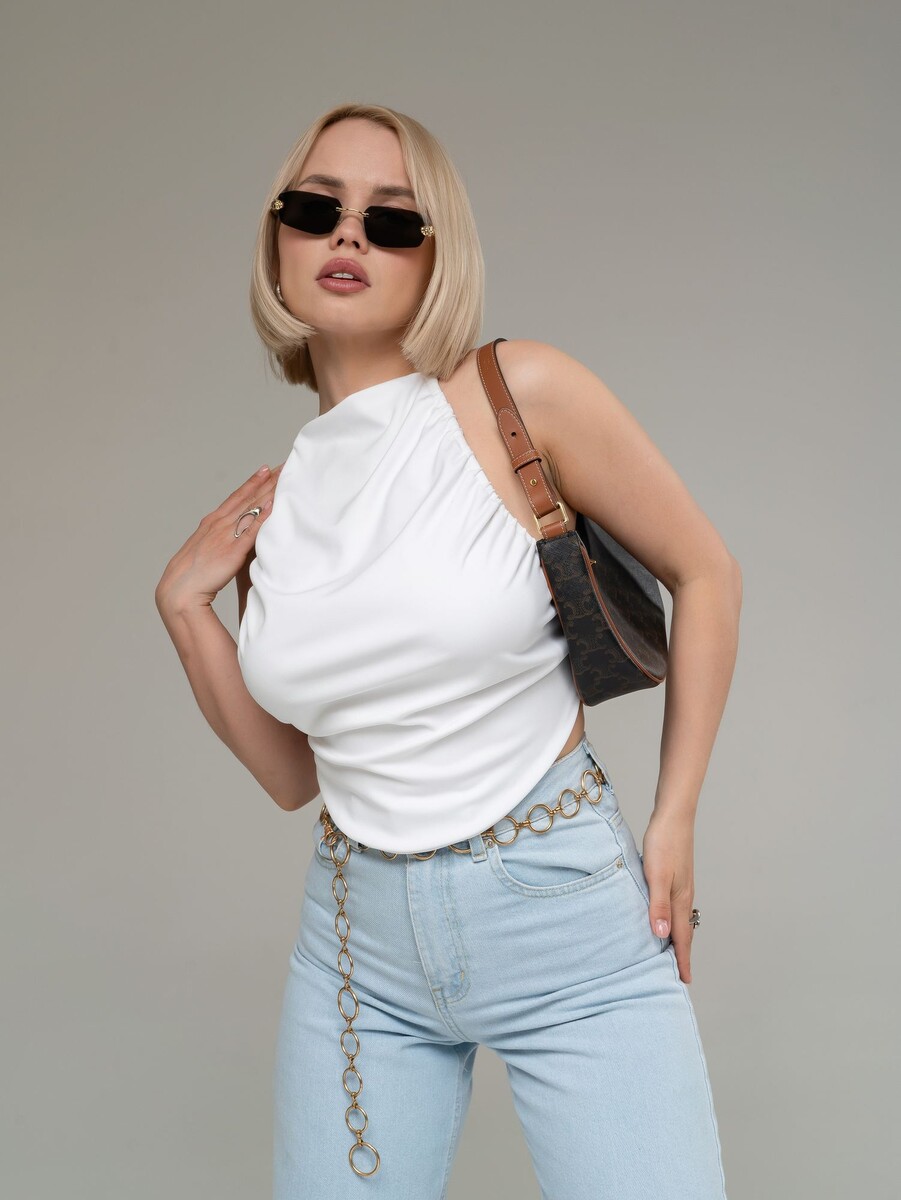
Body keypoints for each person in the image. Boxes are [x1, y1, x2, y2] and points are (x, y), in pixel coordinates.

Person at [155, 101, 741, 1199]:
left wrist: (675, 815)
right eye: (316, 209)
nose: (346, 235)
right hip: (357, 948)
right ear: (278, 240)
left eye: (391, 220)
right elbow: (293, 776)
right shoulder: (279, 510)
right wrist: (188, 611)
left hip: (560, 913)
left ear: (437, 259)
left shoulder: (516, 397)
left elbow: (706, 573)